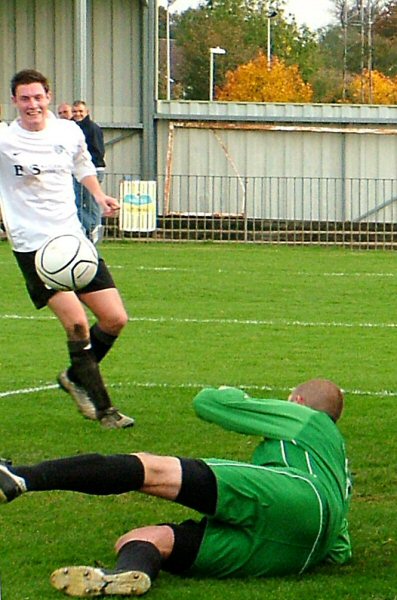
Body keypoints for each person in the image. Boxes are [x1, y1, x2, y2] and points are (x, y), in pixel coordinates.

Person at [0, 379, 352, 597]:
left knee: (151, 469)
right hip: (301, 554)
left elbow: (209, 403)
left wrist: (230, 391)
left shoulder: (306, 417)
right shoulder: (337, 462)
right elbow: (341, 549)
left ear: (296, 401)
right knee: (144, 537)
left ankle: (21, 478)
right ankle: (127, 574)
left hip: (296, 495)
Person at [0, 69, 134, 429]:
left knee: (115, 318)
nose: (32, 104)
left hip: (72, 241)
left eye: (38, 97)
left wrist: (98, 194)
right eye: (24, 98)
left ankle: (76, 377)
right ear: (14, 101)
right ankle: (105, 411)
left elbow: (82, 165)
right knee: (76, 322)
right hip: (33, 247)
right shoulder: (3, 139)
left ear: (48, 96)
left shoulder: (68, 131)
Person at [72, 100, 106, 245]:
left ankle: (93, 230)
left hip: (92, 170)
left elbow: (98, 151)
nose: (77, 114)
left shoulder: (92, 128)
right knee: (79, 202)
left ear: (87, 112)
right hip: (82, 170)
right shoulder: (73, 128)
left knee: (90, 203)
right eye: (75, 111)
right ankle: (89, 230)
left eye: (80, 111)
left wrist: (87, 166)